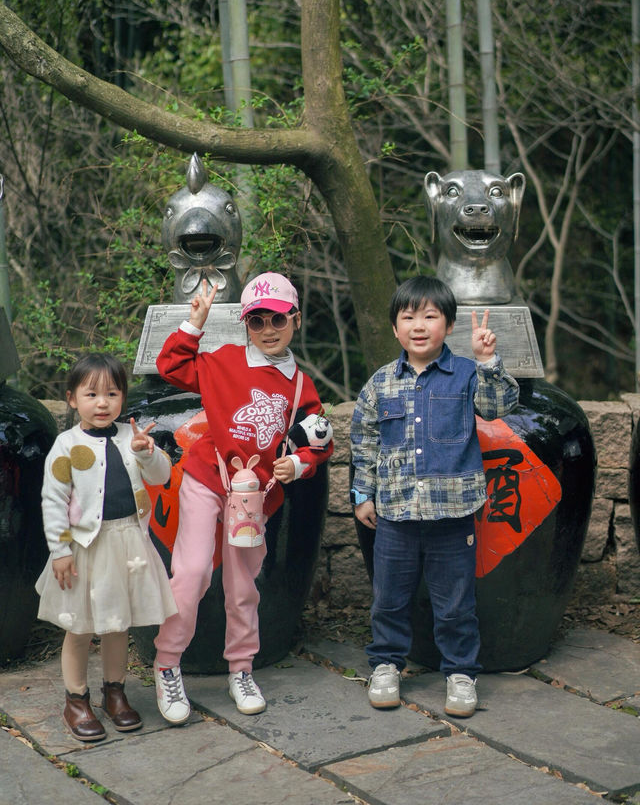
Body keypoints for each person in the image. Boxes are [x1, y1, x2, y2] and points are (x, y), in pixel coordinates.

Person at [152, 271, 333, 722]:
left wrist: (301, 463)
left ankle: (241, 668)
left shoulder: (300, 385)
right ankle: (167, 664)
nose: (268, 330)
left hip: (255, 498)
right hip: (207, 477)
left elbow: (320, 438)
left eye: (277, 320)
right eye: (257, 321)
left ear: (295, 319)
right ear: (245, 325)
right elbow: (171, 367)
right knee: (191, 572)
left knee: (241, 586)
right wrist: (195, 323)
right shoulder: (223, 361)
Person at [350, 276, 519, 717]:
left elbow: (499, 407)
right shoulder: (380, 383)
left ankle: (461, 673)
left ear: (448, 324)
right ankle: (386, 665)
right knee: (389, 599)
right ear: (395, 328)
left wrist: (487, 361)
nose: (419, 326)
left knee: (455, 604)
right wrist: (361, 495)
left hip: (453, 516)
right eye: (409, 317)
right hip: (395, 517)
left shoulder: (466, 374)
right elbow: (365, 443)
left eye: (430, 316)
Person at [36, 353, 177, 742]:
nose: (102, 403)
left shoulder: (132, 436)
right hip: (85, 549)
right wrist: (60, 550)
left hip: (127, 541)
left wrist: (147, 452)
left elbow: (161, 476)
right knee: (79, 627)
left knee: (118, 625)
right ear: (71, 399)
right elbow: (53, 500)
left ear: (123, 398)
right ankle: (76, 700)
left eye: (112, 394)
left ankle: (115, 692)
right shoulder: (67, 445)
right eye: (92, 394)